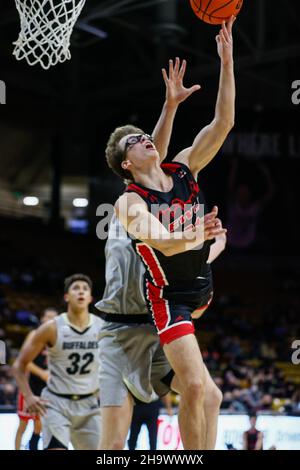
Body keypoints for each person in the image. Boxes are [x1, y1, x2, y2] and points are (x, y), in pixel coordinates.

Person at [105, 17, 235, 450]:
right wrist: (198, 233)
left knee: (212, 395)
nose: (146, 140)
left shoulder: (182, 167)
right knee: (196, 388)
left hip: (202, 286)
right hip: (169, 298)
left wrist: (227, 61)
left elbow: (222, 123)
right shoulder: (128, 202)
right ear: (126, 164)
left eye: (146, 136)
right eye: (135, 142)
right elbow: (161, 240)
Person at [12, 274, 103, 450]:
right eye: (76, 288)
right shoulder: (51, 328)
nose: (81, 291)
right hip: (56, 403)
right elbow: (19, 365)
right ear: (66, 296)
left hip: (89, 404)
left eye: (85, 289)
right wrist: (28, 396)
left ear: (91, 298)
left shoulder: (102, 327)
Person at [15, 308, 58, 450]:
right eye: (48, 317)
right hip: (30, 386)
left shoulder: (57, 337)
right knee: (23, 424)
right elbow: (23, 362)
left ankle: (31, 446)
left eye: (54, 317)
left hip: (46, 388)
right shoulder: (34, 334)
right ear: (42, 318)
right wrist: (42, 373)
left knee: (39, 425)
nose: (50, 320)